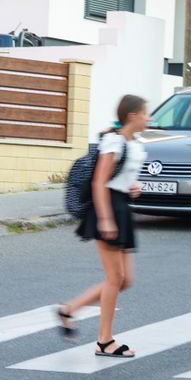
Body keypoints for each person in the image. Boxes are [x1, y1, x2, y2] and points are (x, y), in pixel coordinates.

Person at [56, 95, 150, 357]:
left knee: (124, 280)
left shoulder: (135, 142)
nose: (149, 118)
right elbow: (99, 182)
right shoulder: (113, 141)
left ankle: (69, 309)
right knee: (114, 278)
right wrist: (106, 219)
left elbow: (119, 177)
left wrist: (132, 186)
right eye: (146, 113)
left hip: (121, 206)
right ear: (132, 116)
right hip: (106, 209)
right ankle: (104, 341)